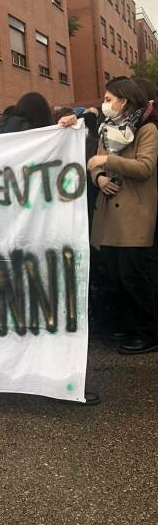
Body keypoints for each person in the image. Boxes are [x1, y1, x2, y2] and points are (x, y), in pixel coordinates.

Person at [85, 79, 158, 354]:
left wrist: (106, 162)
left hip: (134, 216)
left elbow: (144, 167)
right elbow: (94, 165)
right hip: (109, 216)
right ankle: (130, 327)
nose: (105, 103)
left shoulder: (147, 130)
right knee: (116, 275)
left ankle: (148, 333)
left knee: (133, 276)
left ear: (123, 101)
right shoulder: (107, 129)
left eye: (108, 98)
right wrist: (99, 177)